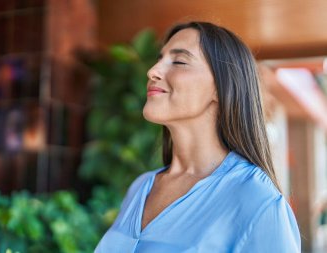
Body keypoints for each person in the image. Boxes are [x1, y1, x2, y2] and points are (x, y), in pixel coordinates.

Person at [95, 21, 301, 253]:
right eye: (159, 59)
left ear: (221, 89)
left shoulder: (257, 201)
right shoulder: (140, 187)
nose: (152, 71)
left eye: (179, 61)